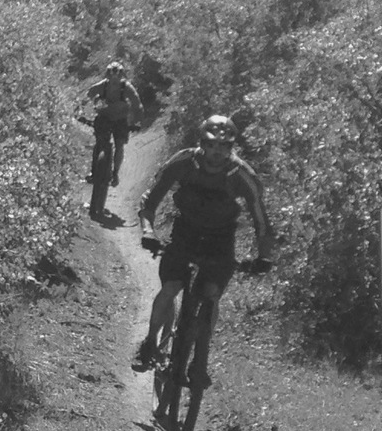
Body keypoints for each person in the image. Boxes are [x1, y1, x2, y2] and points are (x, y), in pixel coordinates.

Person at [132, 113, 275, 387]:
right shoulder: (184, 162)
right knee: (171, 287)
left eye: (225, 146)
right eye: (212, 145)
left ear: (232, 148)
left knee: (211, 295)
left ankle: (201, 360)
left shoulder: (240, 174)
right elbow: (152, 197)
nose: (217, 152)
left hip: (220, 239)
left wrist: (264, 255)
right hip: (185, 232)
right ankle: (149, 344)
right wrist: (148, 230)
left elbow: (261, 218)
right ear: (202, 143)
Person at [80, 62, 143, 188]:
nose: (114, 80)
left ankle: (115, 173)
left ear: (121, 76)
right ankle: (94, 171)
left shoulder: (127, 88)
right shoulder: (101, 86)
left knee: (119, 144)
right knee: (99, 143)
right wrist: (81, 112)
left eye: (117, 76)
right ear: (107, 76)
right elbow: (86, 98)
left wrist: (137, 122)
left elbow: (137, 104)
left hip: (120, 119)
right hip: (104, 117)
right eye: (111, 76)